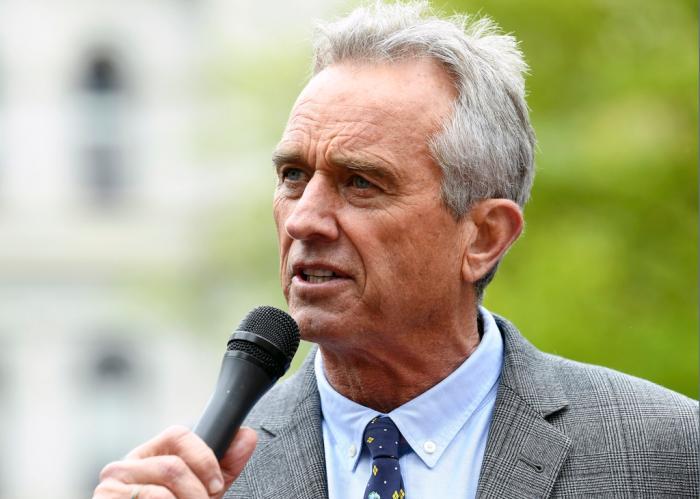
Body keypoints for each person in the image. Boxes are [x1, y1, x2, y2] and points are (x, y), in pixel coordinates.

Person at [93, 2, 698, 498]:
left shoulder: (667, 455)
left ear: (484, 236)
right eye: (293, 176)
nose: (304, 219)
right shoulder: (198, 481)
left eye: (361, 182)